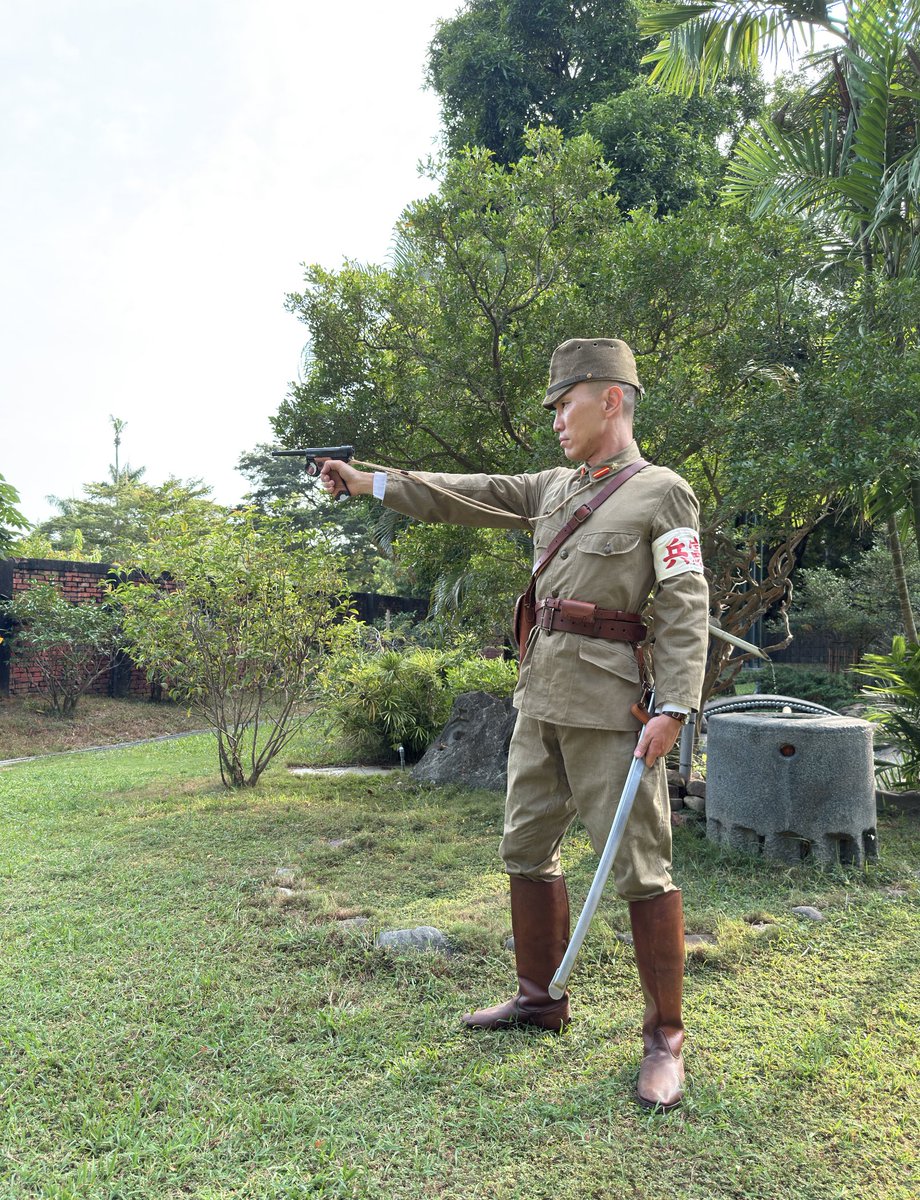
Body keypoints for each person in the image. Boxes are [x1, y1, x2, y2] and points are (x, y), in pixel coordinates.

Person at [320, 338, 709, 1109]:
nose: (557, 419)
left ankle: (665, 1037)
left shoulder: (662, 493)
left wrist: (675, 707)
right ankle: (540, 1001)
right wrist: (367, 482)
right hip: (540, 703)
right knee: (525, 849)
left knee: (641, 869)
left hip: (613, 715)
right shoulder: (551, 488)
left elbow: (686, 604)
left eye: (565, 402)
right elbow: (458, 494)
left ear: (610, 398)